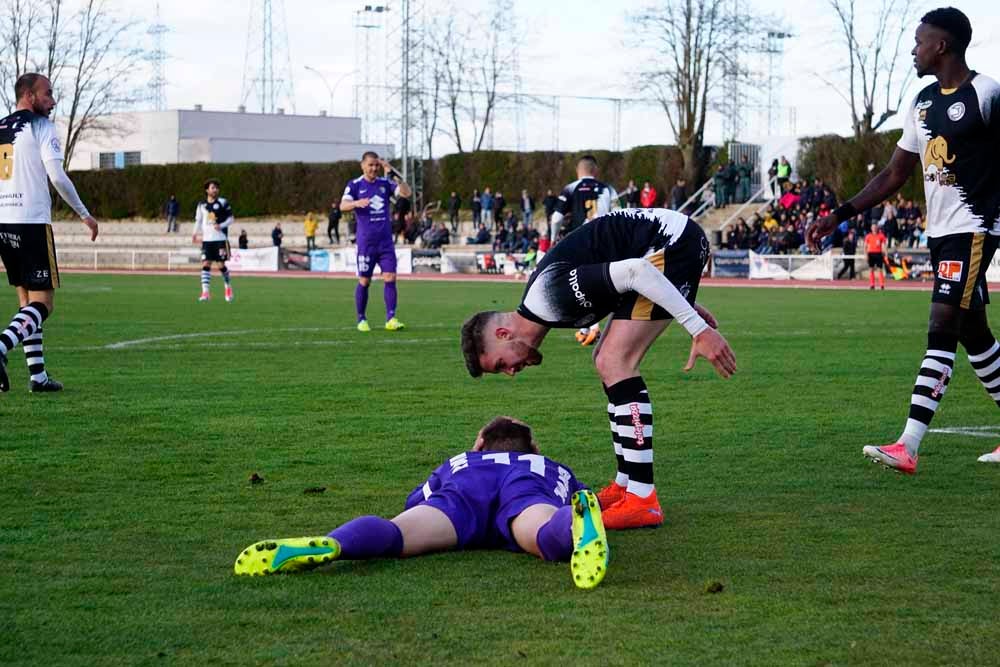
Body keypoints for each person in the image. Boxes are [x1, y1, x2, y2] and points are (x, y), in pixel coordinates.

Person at [808, 7, 1000, 471]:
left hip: (973, 230)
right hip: (941, 233)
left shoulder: (987, 93)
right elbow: (896, 173)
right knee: (975, 335)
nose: (913, 49)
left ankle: (908, 444)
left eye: (919, 41)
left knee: (942, 325)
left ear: (942, 45)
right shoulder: (922, 101)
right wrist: (840, 213)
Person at [460, 209, 736, 529]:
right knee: (603, 358)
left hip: (672, 243)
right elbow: (617, 279)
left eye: (499, 364)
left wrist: (697, 327)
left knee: (614, 361)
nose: (509, 372)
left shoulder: (552, 298)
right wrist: (682, 299)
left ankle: (642, 498)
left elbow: (635, 270)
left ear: (503, 335)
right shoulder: (546, 306)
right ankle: (625, 486)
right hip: (666, 246)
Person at [233, 416, 610, 590]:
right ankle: (577, 527)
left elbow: (417, 500)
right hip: (525, 488)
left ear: (478, 444)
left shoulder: (461, 461)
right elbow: (566, 492)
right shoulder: (548, 465)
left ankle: (336, 543)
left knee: (397, 531)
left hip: (463, 493)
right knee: (542, 528)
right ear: (533, 448)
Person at [0, 73, 99, 394]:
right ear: (29, 95)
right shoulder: (41, 127)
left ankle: (38, 376)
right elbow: (56, 175)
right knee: (44, 302)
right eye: (48, 94)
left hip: (3, 221)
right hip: (30, 221)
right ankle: (1, 346)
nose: (53, 101)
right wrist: (84, 214)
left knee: (26, 299)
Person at [549, 155, 621, 347]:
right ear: (595, 171)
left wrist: (552, 238)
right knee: (598, 283)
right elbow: (620, 214)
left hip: (580, 241)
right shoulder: (608, 189)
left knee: (578, 284)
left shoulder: (571, 188)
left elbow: (556, 218)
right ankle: (585, 328)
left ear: (578, 171)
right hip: (605, 241)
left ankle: (592, 327)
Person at [340, 151, 412, 332]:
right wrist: (356, 203)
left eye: (376, 165)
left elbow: (406, 193)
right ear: (362, 165)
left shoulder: (385, 183)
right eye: (370, 165)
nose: (373, 168)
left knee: (391, 277)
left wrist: (394, 174)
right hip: (366, 242)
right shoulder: (354, 185)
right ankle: (361, 319)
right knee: (364, 281)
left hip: (385, 242)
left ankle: (391, 318)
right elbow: (343, 206)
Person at [192, 179, 235, 303]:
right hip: (207, 240)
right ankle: (205, 293)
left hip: (220, 239)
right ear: (207, 190)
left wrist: (221, 225)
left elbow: (231, 219)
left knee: (221, 265)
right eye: (212, 188)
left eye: (216, 188)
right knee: (206, 264)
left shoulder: (223, 202)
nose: (215, 190)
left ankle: (228, 287)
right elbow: (198, 221)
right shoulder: (201, 205)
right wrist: (194, 233)